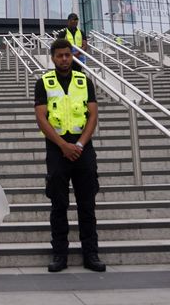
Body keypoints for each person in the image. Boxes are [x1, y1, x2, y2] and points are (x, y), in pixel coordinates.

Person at [34, 38, 105, 273]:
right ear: (52, 58)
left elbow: (92, 115)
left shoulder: (85, 81)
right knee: (58, 204)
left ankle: (91, 254)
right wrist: (63, 145)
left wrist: (80, 145)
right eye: (60, 56)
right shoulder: (44, 82)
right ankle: (59, 254)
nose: (64, 59)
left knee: (87, 204)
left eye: (68, 55)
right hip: (57, 149)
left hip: (83, 149)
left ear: (72, 55)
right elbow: (41, 118)